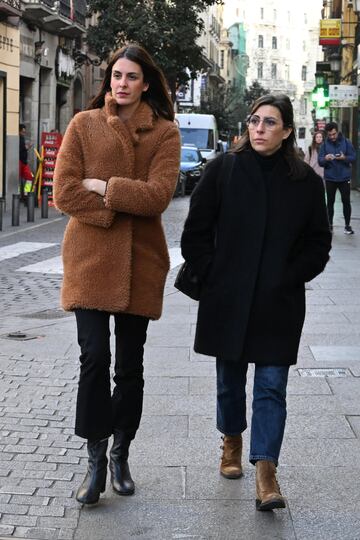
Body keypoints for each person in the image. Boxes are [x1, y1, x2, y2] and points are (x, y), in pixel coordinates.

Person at [180, 94, 331, 511]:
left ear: (286, 131)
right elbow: (195, 231)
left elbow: (318, 244)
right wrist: (214, 273)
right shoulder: (223, 170)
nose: (259, 128)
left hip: (277, 302)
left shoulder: (305, 181)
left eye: (270, 122)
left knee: (270, 386)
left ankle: (267, 470)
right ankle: (230, 439)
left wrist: (290, 275)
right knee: (230, 381)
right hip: (227, 299)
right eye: (255, 121)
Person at [53, 43, 181, 505]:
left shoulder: (164, 133)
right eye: (116, 76)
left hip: (140, 262)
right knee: (93, 361)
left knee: (130, 367)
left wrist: (104, 186)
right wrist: (116, 208)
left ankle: (121, 454)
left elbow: (157, 198)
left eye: (131, 77)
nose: (121, 84)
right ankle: (94, 459)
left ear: (146, 82)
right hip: (89, 259)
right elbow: (64, 193)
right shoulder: (84, 124)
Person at [318, 121, 356, 234]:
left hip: (344, 178)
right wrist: (326, 158)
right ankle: (330, 225)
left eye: (334, 134)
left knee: (346, 201)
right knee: (330, 202)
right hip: (330, 178)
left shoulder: (346, 142)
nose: (332, 137)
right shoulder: (324, 145)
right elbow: (320, 161)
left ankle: (347, 225)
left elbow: (353, 157)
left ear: (337, 131)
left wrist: (344, 158)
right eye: (330, 135)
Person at [19, 124, 33, 201]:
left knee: (29, 177)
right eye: (23, 131)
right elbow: (22, 149)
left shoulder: (22, 138)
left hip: (24, 162)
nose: (24, 133)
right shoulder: (19, 138)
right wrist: (29, 146)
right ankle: (18, 195)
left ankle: (26, 193)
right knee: (18, 179)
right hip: (20, 161)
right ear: (19, 131)